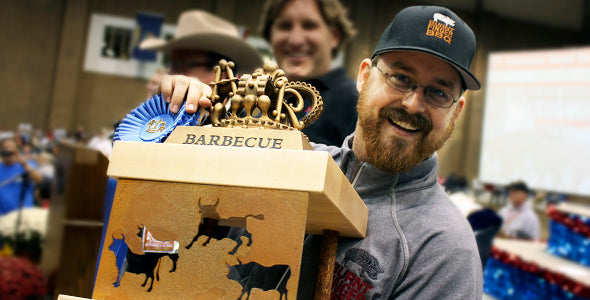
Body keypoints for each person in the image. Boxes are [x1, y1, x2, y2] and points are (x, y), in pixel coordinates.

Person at [157, 5, 482, 298]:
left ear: (457, 111)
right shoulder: (291, 164)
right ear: (365, 76)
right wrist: (180, 121)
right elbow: (168, 236)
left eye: (438, 92)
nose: (413, 104)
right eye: (400, 77)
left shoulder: (444, 250)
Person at [259, 0, 358, 146]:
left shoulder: (355, 104)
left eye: (309, 26)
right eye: (285, 26)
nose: (296, 40)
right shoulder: (257, 97)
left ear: (334, 36)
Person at [140, 10, 263, 114]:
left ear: (222, 76)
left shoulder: (243, 131)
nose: (172, 74)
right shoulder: (164, 113)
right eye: (172, 65)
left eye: (181, 65)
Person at [0, 138, 43, 215]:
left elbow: (38, 179)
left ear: (16, 150)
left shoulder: (26, 165)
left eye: (11, 148)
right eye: (5, 148)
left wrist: (24, 164)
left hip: (22, 213)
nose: (8, 151)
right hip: (2, 214)